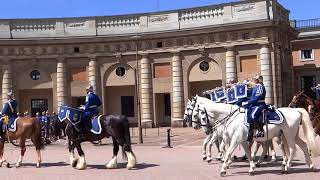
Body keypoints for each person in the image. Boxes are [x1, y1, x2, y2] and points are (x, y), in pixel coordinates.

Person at [242, 75, 266, 141]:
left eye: (255, 79)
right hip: (254, 104)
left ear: (258, 80)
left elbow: (257, 98)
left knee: (253, 116)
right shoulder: (256, 87)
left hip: (260, 104)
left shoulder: (260, 87)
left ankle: (261, 130)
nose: (253, 80)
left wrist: (247, 102)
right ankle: (250, 132)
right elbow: (249, 94)